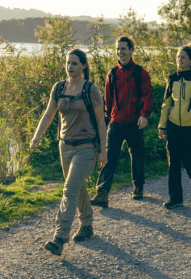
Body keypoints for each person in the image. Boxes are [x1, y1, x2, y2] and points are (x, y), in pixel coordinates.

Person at [30, 49, 108, 256]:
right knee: (77, 187)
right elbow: (48, 115)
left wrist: (103, 151)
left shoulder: (91, 89)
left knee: (70, 188)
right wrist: (37, 135)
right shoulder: (59, 88)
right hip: (65, 146)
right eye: (67, 63)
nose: (70, 67)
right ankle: (87, 225)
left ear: (83, 66)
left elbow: (101, 121)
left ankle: (59, 236)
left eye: (74, 63)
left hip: (87, 147)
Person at [90, 36, 153, 207]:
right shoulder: (112, 74)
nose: (120, 52)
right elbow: (107, 101)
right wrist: (104, 122)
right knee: (109, 157)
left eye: (123, 49)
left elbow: (148, 95)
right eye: (118, 49)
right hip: (116, 123)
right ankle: (102, 193)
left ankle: (138, 187)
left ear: (131, 50)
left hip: (135, 122)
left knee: (137, 156)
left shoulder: (141, 73)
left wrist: (144, 115)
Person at [157, 43, 191, 209]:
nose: (179, 60)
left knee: (188, 160)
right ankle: (176, 198)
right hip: (173, 126)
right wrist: (162, 126)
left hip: (190, 128)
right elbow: (166, 103)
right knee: (173, 163)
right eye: (178, 57)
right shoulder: (172, 78)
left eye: (183, 57)